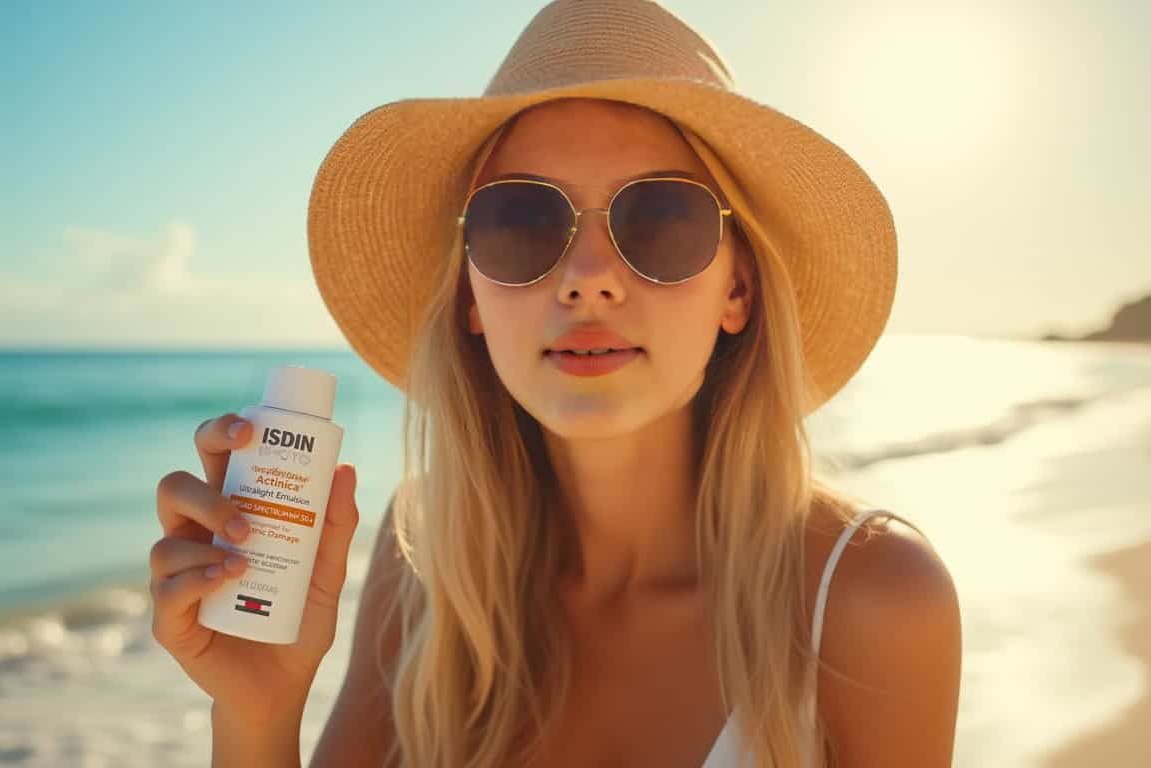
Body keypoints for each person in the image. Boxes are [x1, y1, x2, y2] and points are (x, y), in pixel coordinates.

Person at [147, 1, 962, 766]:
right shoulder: (424, 557)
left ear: (737, 290)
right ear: (470, 294)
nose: (588, 279)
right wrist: (258, 712)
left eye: (661, 219)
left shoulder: (872, 599)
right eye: (521, 222)